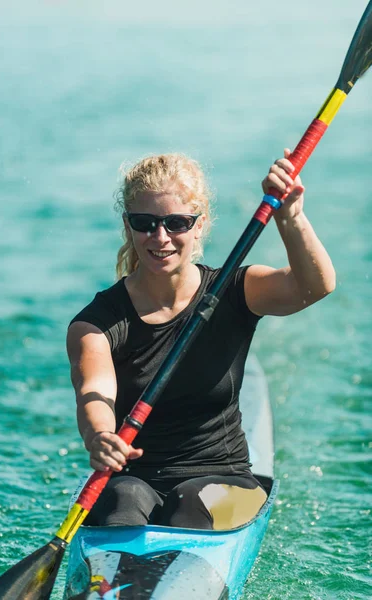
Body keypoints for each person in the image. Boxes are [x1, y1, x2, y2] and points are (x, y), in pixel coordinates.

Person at [67, 150, 335, 530]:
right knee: (121, 504)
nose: (160, 237)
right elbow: (94, 392)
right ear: (128, 226)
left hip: (224, 480)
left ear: (199, 225)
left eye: (176, 222)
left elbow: (316, 286)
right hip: (133, 479)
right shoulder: (95, 325)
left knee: (188, 506)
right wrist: (100, 436)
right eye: (145, 223)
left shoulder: (235, 291)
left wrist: (290, 218)